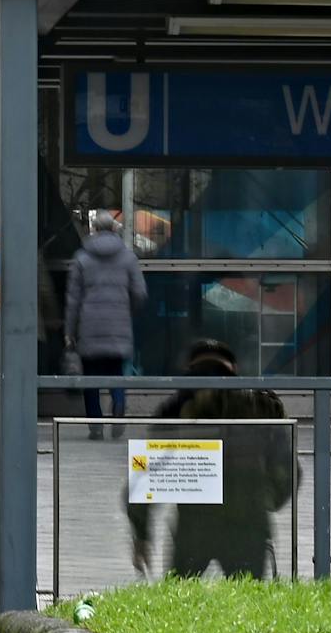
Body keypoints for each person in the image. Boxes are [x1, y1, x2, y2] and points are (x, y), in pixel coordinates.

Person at [126, 339, 295, 579]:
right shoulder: (259, 407)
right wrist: (262, 500)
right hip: (247, 526)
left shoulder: (174, 409)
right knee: (249, 604)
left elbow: (147, 476)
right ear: (233, 371)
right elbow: (287, 470)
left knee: (178, 603)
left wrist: (141, 534)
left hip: (194, 529)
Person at [65, 211, 147, 435]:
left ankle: (95, 425)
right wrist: (127, 312)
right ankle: (118, 406)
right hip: (118, 326)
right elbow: (140, 293)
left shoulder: (81, 258)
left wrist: (69, 332)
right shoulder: (128, 258)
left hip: (89, 328)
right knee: (116, 371)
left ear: (94, 229)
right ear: (112, 228)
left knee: (90, 377)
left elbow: (73, 300)